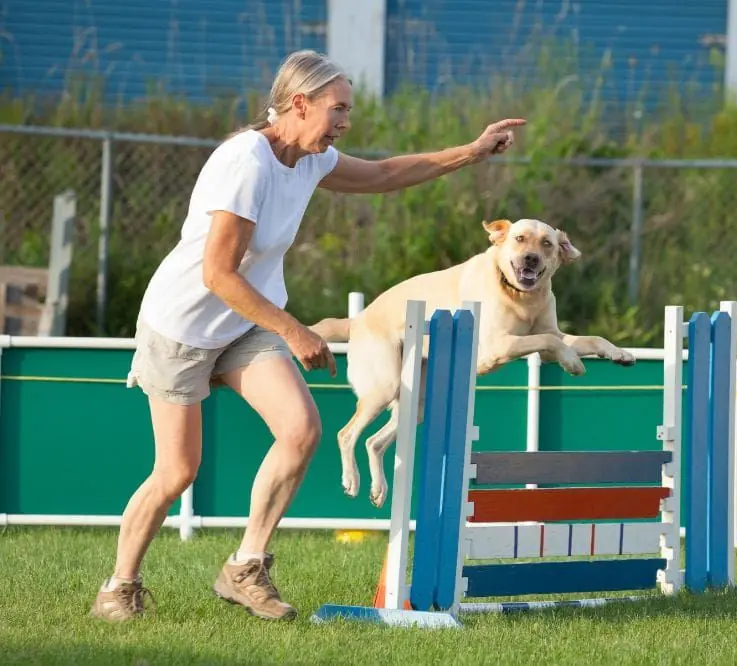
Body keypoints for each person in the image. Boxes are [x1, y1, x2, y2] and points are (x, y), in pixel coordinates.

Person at [90, 49, 525, 622]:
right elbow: (217, 274)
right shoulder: (247, 162)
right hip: (185, 326)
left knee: (300, 430)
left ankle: (245, 567)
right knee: (177, 472)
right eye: (338, 109)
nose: (346, 121)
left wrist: (470, 152)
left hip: (245, 322)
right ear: (299, 104)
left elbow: (386, 173)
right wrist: (295, 331)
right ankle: (118, 588)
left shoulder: (311, 159)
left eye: (349, 109)